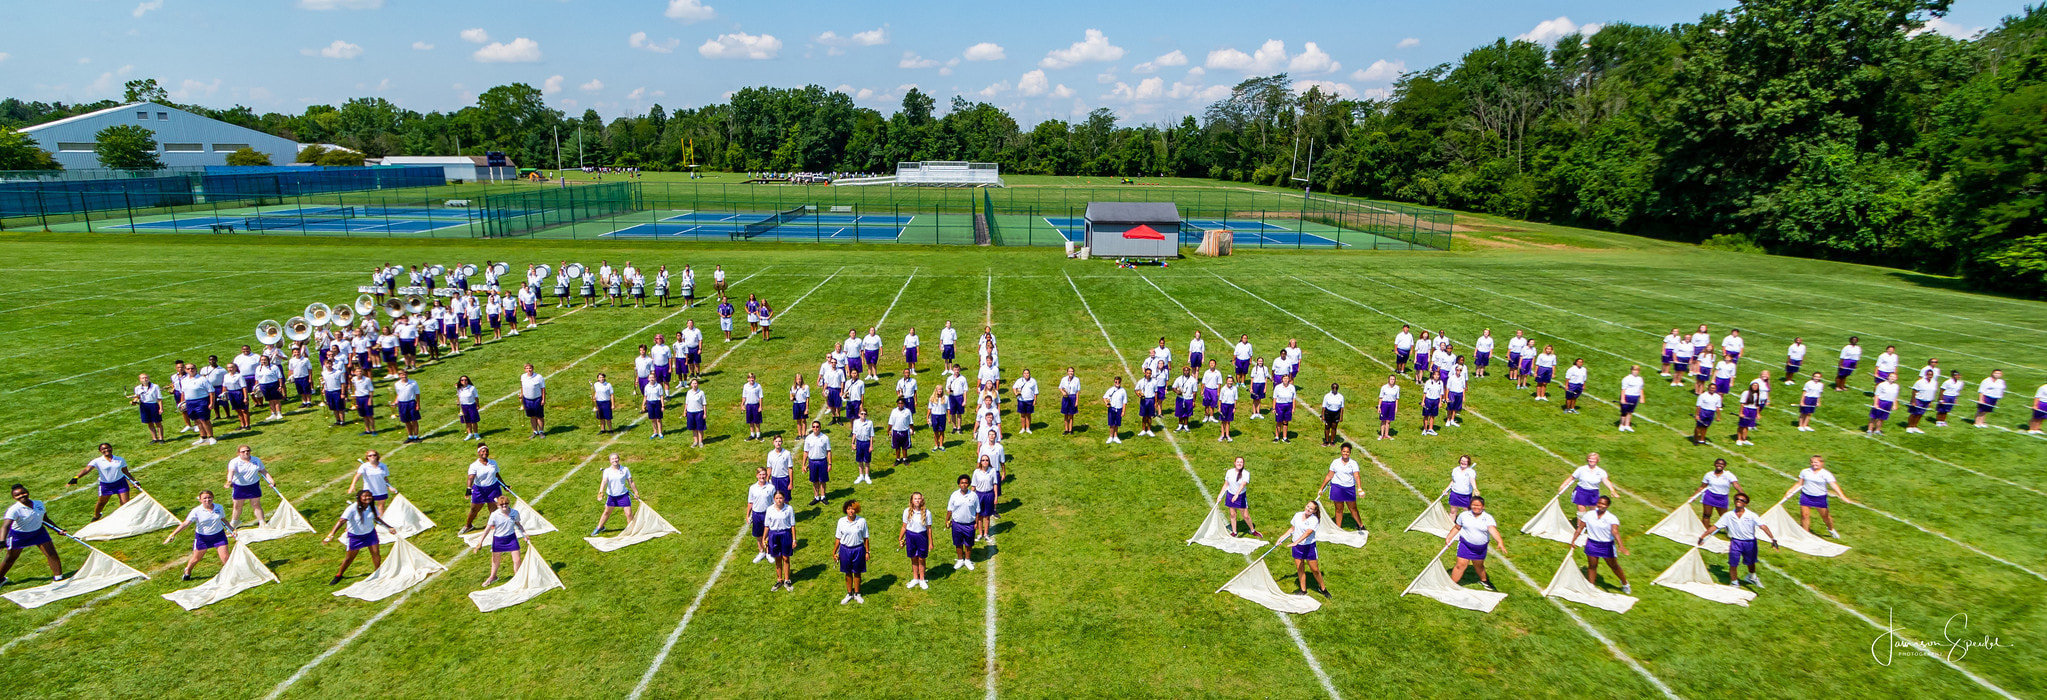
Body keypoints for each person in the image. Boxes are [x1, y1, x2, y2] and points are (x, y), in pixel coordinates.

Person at [1699, 493, 1778, 587]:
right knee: (1733, 563)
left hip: (1750, 542)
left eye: (1742, 500)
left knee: (1751, 562)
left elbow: (1763, 526)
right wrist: (1702, 536)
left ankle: (1752, 576)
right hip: (1736, 542)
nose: (1739, 501)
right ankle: (1734, 582)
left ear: (1746, 503)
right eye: (1737, 499)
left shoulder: (1751, 515)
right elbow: (1715, 527)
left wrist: (1773, 539)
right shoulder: (1728, 515)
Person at [323, 489, 398, 584]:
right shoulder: (352, 508)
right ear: (359, 498)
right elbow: (341, 521)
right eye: (365, 496)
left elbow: (376, 519)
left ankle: (377, 572)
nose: (368, 498)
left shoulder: (372, 507)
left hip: (370, 534)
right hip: (355, 537)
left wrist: (388, 528)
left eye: (369, 496)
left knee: (376, 553)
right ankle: (339, 575)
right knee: (349, 558)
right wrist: (331, 534)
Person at [1, 485, 66, 585]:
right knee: (10, 558)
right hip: (19, 536)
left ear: (27, 492)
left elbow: (45, 519)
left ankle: (59, 578)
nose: (21, 496)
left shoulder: (38, 503)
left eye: (23, 493)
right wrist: (2, 541)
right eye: (17, 495)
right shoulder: (14, 509)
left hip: (38, 532)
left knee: (51, 554)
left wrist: (58, 530)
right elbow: (5, 526)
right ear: (14, 498)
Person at [161, 490, 231, 581]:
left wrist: (232, 529)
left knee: (226, 558)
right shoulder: (196, 511)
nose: (207, 500)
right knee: (196, 558)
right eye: (204, 498)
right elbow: (186, 523)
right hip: (203, 538)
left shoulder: (219, 507)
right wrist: (173, 534)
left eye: (209, 497)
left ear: (213, 498)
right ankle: (188, 571)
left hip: (219, 536)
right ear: (200, 500)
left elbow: (223, 519)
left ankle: (231, 575)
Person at [1570, 496, 1631, 594]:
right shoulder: (1589, 515)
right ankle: (1591, 587)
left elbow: (1615, 532)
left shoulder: (1611, 518)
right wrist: (1573, 540)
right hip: (1592, 543)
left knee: (1613, 565)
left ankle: (1625, 583)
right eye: (1599, 503)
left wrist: (1621, 546)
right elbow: (1580, 528)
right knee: (1592, 566)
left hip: (1606, 546)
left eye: (1603, 504)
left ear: (1607, 506)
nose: (1600, 505)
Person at [1443, 496, 1504, 592]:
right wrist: (1449, 537)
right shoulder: (1464, 515)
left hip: (1480, 548)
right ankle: (1452, 585)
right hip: (1465, 545)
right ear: (1470, 505)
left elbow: (1492, 530)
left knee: (1479, 565)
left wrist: (1500, 542)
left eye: (1478, 505)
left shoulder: (1488, 518)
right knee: (1460, 565)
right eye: (1474, 505)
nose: (1476, 507)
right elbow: (1457, 527)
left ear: (1483, 507)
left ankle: (1484, 581)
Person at [1785, 455, 1852, 538]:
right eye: (1812, 462)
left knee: (1825, 517)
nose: (1814, 464)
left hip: (1819, 498)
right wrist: (1790, 491)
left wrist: (1842, 496)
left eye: (1816, 462)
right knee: (1804, 515)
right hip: (1806, 495)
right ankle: (1805, 534)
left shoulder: (1826, 474)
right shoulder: (1805, 471)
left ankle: (1831, 529)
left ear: (1821, 463)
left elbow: (1833, 485)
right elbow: (1799, 483)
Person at [470, 494, 529, 587]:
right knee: (495, 560)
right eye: (502, 504)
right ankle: (493, 577)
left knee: (517, 560)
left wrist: (524, 534)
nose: (504, 506)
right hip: (498, 540)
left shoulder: (514, 513)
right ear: (498, 505)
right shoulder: (494, 515)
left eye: (506, 503)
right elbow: (487, 529)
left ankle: (518, 577)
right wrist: (480, 542)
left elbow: (518, 524)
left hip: (511, 538)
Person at [69, 443, 135, 521]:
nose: (106, 450)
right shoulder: (97, 461)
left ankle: (125, 519)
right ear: (100, 451)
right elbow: (87, 469)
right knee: (101, 503)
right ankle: (96, 516)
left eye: (108, 448)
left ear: (111, 448)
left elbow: (126, 472)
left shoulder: (120, 459)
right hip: (106, 486)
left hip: (121, 484)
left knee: (125, 503)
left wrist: (134, 481)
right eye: (103, 449)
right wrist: (76, 477)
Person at [1275, 500, 1328, 596]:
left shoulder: (1314, 520)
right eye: (1307, 507)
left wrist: (1296, 542)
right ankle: (1303, 590)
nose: (1308, 509)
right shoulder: (1298, 515)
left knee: (1315, 570)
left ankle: (1323, 588)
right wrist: (1281, 538)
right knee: (1300, 568)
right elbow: (1292, 529)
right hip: (1297, 547)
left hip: (1308, 546)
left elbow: (1308, 533)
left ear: (1314, 511)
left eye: (1311, 509)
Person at [222, 445, 275, 528]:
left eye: (247, 451)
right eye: (243, 451)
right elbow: (231, 472)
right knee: (237, 506)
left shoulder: (256, 460)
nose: (246, 453)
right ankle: (234, 522)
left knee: (256, 504)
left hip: (253, 485)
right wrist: (229, 481)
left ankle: (261, 521)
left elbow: (263, 471)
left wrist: (271, 480)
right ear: (238, 453)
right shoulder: (234, 462)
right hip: (240, 486)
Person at [1318, 445, 1364, 531]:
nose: (1345, 453)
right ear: (1341, 451)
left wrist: (1359, 488)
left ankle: (1360, 525)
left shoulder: (1353, 463)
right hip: (1337, 487)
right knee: (1339, 509)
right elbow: (1329, 476)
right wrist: (1321, 488)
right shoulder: (1335, 462)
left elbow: (1357, 476)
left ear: (1350, 453)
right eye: (1344, 451)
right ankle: (1338, 528)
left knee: (1353, 508)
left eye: (1347, 452)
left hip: (1349, 488)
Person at [592, 454, 641, 535]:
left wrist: (636, 492)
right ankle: (600, 527)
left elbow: (630, 481)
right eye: (613, 459)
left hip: (623, 495)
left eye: (616, 458)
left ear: (619, 459)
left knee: (629, 514)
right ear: (610, 461)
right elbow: (604, 481)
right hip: (612, 497)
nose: (615, 460)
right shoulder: (607, 471)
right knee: (606, 512)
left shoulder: (625, 469)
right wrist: (601, 492)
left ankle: (630, 530)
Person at [461, 444, 504, 534]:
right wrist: (468, 488)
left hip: (493, 488)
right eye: (483, 451)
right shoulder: (474, 465)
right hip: (479, 490)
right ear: (478, 453)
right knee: (474, 509)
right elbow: (471, 477)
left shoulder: (493, 463)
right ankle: (468, 526)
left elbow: (496, 475)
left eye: (486, 451)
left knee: (493, 509)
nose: (485, 453)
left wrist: (504, 485)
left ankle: (493, 525)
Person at [1558, 453, 1614, 519]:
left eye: (1594, 459)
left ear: (1597, 460)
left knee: (1594, 512)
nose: (1591, 460)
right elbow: (1571, 478)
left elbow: (1605, 480)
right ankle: (1580, 527)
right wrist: (1562, 486)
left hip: (1593, 493)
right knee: (1581, 513)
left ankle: (1592, 526)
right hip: (1581, 491)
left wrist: (1612, 490)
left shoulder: (1601, 471)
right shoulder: (1581, 469)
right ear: (1587, 459)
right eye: (1590, 458)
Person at [1216, 457, 1259, 536]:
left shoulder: (1246, 473)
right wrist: (1220, 495)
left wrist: (1237, 494)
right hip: (1230, 495)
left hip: (1240, 496)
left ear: (1243, 464)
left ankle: (1252, 530)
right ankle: (1234, 532)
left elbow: (1243, 484)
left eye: (1241, 462)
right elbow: (1226, 484)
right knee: (1232, 514)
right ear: (1235, 463)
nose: (1239, 463)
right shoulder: (1229, 472)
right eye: (1238, 462)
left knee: (1245, 515)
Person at [900, 493, 933, 589]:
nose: (917, 500)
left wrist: (931, 542)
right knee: (913, 558)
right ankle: (915, 578)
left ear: (922, 500)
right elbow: (904, 526)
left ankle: (922, 579)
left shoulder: (927, 513)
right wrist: (900, 538)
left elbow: (929, 529)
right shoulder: (907, 511)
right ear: (912, 500)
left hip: (922, 536)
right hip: (910, 536)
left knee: (921, 558)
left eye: (919, 499)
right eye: (915, 499)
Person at [946, 475, 980, 571]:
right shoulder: (954, 495)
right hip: (957, 524)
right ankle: (960, 559)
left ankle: (968, 560)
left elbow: (978, 511)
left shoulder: (974, 496)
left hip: (969, 524)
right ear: (958, 484)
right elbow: (950, 509)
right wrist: (947, 520)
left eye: (965, 483)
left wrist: (976, 523)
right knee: (958, 543)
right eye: (962, 483)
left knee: (969, 543)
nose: (964, 485)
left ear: (968, 484)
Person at [130, 373, 167, 444]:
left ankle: (161, 438)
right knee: (149, 423)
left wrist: (161, 408)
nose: (145, 379)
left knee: (157, 422)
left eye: (146, 378)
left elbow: (159, 398)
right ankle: (154, 438)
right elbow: (138, 397)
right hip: (144, 406)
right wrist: (134, 401)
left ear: (149, 378)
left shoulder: (155, 386)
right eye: (143, 378)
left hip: (153, 405)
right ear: (140, 380)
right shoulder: (137, 388)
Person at [802, 421, 832, 505]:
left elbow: (828, 451)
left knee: (823, 480)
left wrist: (830, 463)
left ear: (820, 427)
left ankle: (823, 496)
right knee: (814, 480)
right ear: (812, 428)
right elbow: (806, 452)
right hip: (812, 461)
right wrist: (803, 464)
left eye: (817, 426)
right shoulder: (808, 438)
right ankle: (816, 497)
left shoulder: (825, 438)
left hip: (822, 461)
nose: (816, 428)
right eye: (814, 427)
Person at [971, 455, 999, 544]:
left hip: (989, 494)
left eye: (987, 460)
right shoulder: (976, 472)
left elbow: (995, 484)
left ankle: (986, 534)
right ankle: (980, 533)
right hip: (979, 494)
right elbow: (973, 486)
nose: (985, 462)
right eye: (983, 460)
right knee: (979, 515)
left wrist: (995, 496)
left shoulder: (992, 471)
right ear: (980, 462)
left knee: (987, 515)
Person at [519, 364, 547, 438]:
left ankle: (541, 431)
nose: (529, 370)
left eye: (530, 368)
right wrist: (521, 395)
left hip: (537, 399)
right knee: (532, 416)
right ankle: (535, 431)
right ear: (525, 369)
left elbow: (543, 389)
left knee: (539, 416)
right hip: (527, 400)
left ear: (532, 369)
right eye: (527, 368)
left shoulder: (538, 377)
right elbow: (522, 386)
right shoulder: (523, 377)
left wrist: (543, 399)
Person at [1733, 378, 1763, 446]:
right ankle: (1739, 439)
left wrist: (1758, 414)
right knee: (1742, 425)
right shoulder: (1746, 393)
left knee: (1747, 426)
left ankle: (1744, 439)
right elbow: (1742, 403)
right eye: (1754, 385)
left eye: (1756, 386)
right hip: (1746, 409)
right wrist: (1741, 412)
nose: (1755, 387)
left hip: (1753, 410)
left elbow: (1757, 405)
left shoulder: (1758, 394)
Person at [850, 409, 876, 485]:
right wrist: (852, 443)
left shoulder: (869, 423)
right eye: (862, 414)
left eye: (865, 414)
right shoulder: (856, 422)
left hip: (866, 442)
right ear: (859, 414)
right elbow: (854, 433)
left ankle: (867, 475)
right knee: (860, 460)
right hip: (859, 442)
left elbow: (871, 435)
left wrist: (871, 445)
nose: (863, 415)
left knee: (867, 460)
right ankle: (861, 475)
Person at [1101, 376, 1128, 444]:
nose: (1117, 383)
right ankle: (1111, 436)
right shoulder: (1111, 390)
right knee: (1111, 424)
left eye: (1119, 382)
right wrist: (1106, 403)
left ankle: (1115, 436)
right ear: (1114, 382)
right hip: (1112, 408)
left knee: (1117, 424)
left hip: (1119, 408)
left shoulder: (1123, 391)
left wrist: (1123, 411)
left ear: (1120, 382)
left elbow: (1124, 402)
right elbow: (1104, 397)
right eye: (1116, 382)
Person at [1272, 374, 1298, 442]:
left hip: (1288, 405)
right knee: (1279, 421)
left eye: (1287, 378)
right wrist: (1274, 408)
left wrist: (1293, 408)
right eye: (1284, 379)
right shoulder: (1278, 387)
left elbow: (1294, 398)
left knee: (1285, 422)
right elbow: (1275, 398)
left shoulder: (1292, 387)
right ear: (1282, 379)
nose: (1286, 380)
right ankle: (1277, 436)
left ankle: (1285, 437)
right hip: (1279, 405)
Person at [1370, 375, 1398, 441]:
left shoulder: (1397, 388)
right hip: (1385, 403)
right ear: (1388, 380)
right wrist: (1379, 406)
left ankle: (1386, 434)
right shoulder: (1384, 387)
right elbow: (1381, 397)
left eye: (1393, 379)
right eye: (1391, 379)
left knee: (1388, 420)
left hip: (1392, 404)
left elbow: (1397, 398)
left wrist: (1396, 407)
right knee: (1383, 419)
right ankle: (1382, 434)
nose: (1392, 380)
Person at [1056, 367, 1081, 435]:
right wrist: (1063, 392)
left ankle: (1070, 429)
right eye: (1070, 371)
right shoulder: (1064, 379)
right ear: (1067, 372)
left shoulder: (1076, 380)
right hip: (1066, 397)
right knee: (1066, 414)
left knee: (1071, 414)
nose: (1071, 373)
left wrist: (1077, 401)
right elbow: (1060, 387)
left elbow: (1078, 391)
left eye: (1072, 371)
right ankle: (1066, 429)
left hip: (1073, 397)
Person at [1012, 370, 1039, 434]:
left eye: (1027, 373)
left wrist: (1035, 400)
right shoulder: (1019, 380)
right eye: (1025, 373)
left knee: (1028, 415)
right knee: (1022, 414)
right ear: (1023, 374)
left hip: (1030, 400)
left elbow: (1035, 391)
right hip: (1021, 400)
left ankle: (1028, 428)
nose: (1026, 375)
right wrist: (1016, 393)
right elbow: (1014, 387)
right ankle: (1023, 428)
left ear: (1029, 374)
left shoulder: (1033, 381)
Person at [1215, 375, 1240, 442]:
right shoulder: (1223, 389)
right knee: (1223, 421)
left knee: (1228, 421)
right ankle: (1222, 435)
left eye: (1231, 381)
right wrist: (1219, 407)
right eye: (1229, 381)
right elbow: (1220, 399)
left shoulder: (1234, 389)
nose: (1230, 382)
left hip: (1231, 406)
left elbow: (1235, 399)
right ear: (1226, 381)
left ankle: (1227, 435)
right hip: (1224, 406)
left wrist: (1234, 407)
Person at [683, 379, 708, 448]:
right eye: (693, 383)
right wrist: (685, 411)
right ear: (691, 384)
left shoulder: (701, 393)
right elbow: (686, 403)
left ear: (698, 384)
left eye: (695, 383)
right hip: (690, 413)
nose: (694, 385)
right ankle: (695, 441)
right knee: (693, 428)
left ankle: (700, 442)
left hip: (699, 412)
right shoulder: (688, 392)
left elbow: (704, 404)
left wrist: (705, 413)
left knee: (700, 428)